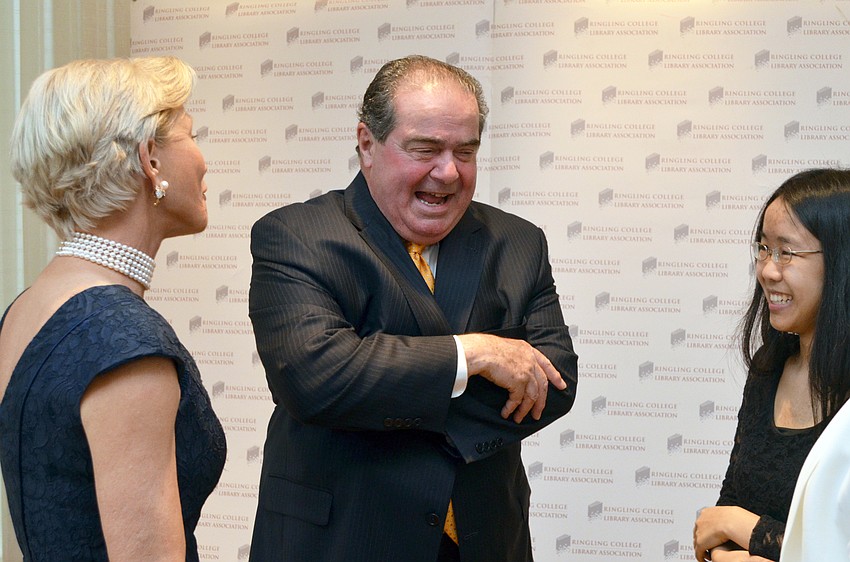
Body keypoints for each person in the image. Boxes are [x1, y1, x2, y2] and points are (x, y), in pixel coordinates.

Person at [248, 54, 578, 562]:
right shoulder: (298, 236)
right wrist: (475, 357)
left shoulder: (516, 242)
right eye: (425, 149)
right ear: (367, 143)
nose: (447, 172)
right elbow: (317, 379)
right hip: (343, 541)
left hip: (483, 541)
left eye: (465, 152)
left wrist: (382, 388)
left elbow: (555, 383)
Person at [0, 56, 226, 561]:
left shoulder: (27, 308)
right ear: (150, 159)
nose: (203, 160)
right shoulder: (121, 339)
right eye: (190, 135)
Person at [693, 168, 850, 562]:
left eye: (787, 252)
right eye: (764, 248)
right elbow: (719, 514)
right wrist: (725, 551)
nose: (767, 270)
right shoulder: (770, 366)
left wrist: (742, 527)